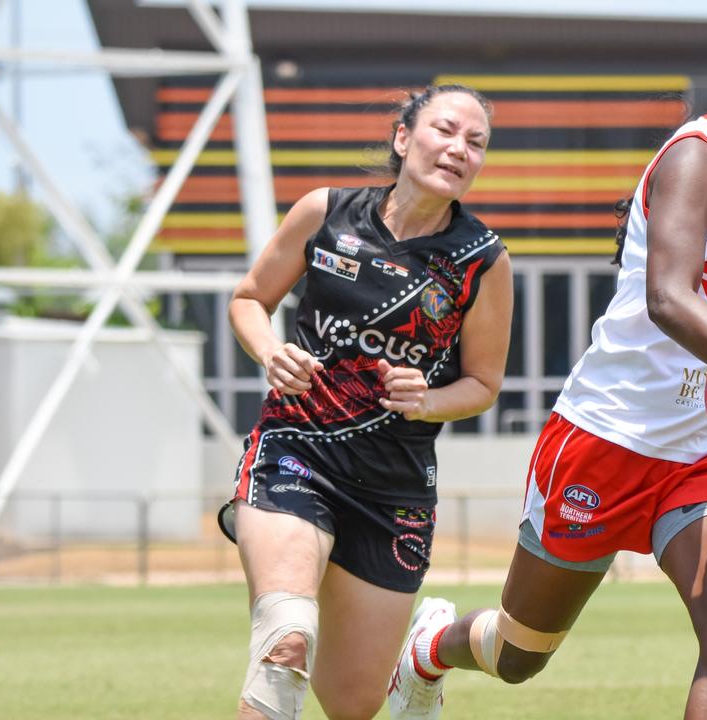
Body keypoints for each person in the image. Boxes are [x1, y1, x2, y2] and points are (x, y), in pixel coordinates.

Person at [387, 23, 707, 720]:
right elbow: (669, 300)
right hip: (606, 436)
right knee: (519, 655)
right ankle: (432, 647)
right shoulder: (695, 158)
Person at [219, 84, 512, 720]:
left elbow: (484, 386)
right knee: (285, 640)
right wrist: (269, 350)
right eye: (445, 130)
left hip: (393, 487)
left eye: (476, 142)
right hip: (297, 450)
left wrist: (428, 399)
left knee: (352, 705)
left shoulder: (483, 260)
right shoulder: (324, 211)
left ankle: (419, 659)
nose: (459, 148)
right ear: (404, 138)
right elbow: (248, 300)